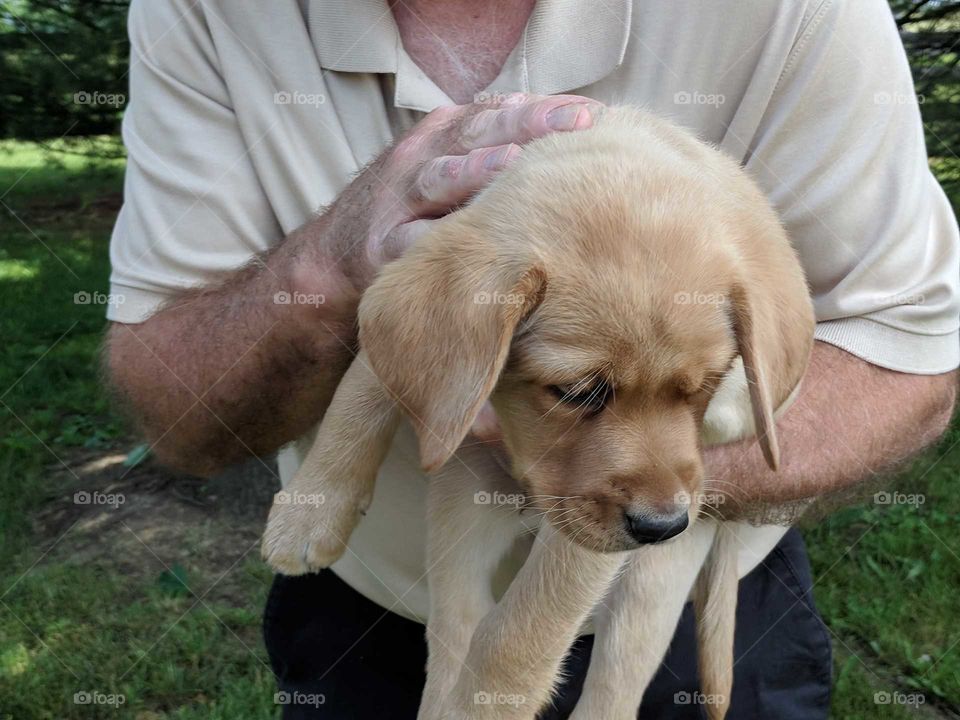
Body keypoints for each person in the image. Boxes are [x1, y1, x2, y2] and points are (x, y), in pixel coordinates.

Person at [104, 0, 959, 717]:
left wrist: (700, 459)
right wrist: (333, 264)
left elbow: (909, 355)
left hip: (680, 600)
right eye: (581, 390)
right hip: (366, 608)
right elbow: (178, 406)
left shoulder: (796, 13)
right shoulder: (205, 12)